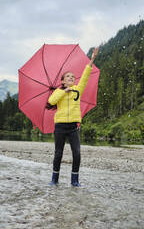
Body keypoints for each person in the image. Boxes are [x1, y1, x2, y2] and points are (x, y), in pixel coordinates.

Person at [47, 47, 99, 187]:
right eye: (68, 77)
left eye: (73, 77)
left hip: (73, 127)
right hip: (60, 126)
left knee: (77, 153)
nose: (71, 78)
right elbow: (51, 102)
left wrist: (92, 59)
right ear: (63, 81)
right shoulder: (58, 91)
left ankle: (74, 180)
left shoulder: (78, 90)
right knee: (58, 154)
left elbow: (86, 75)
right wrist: (64, 91)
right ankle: (54, 179)